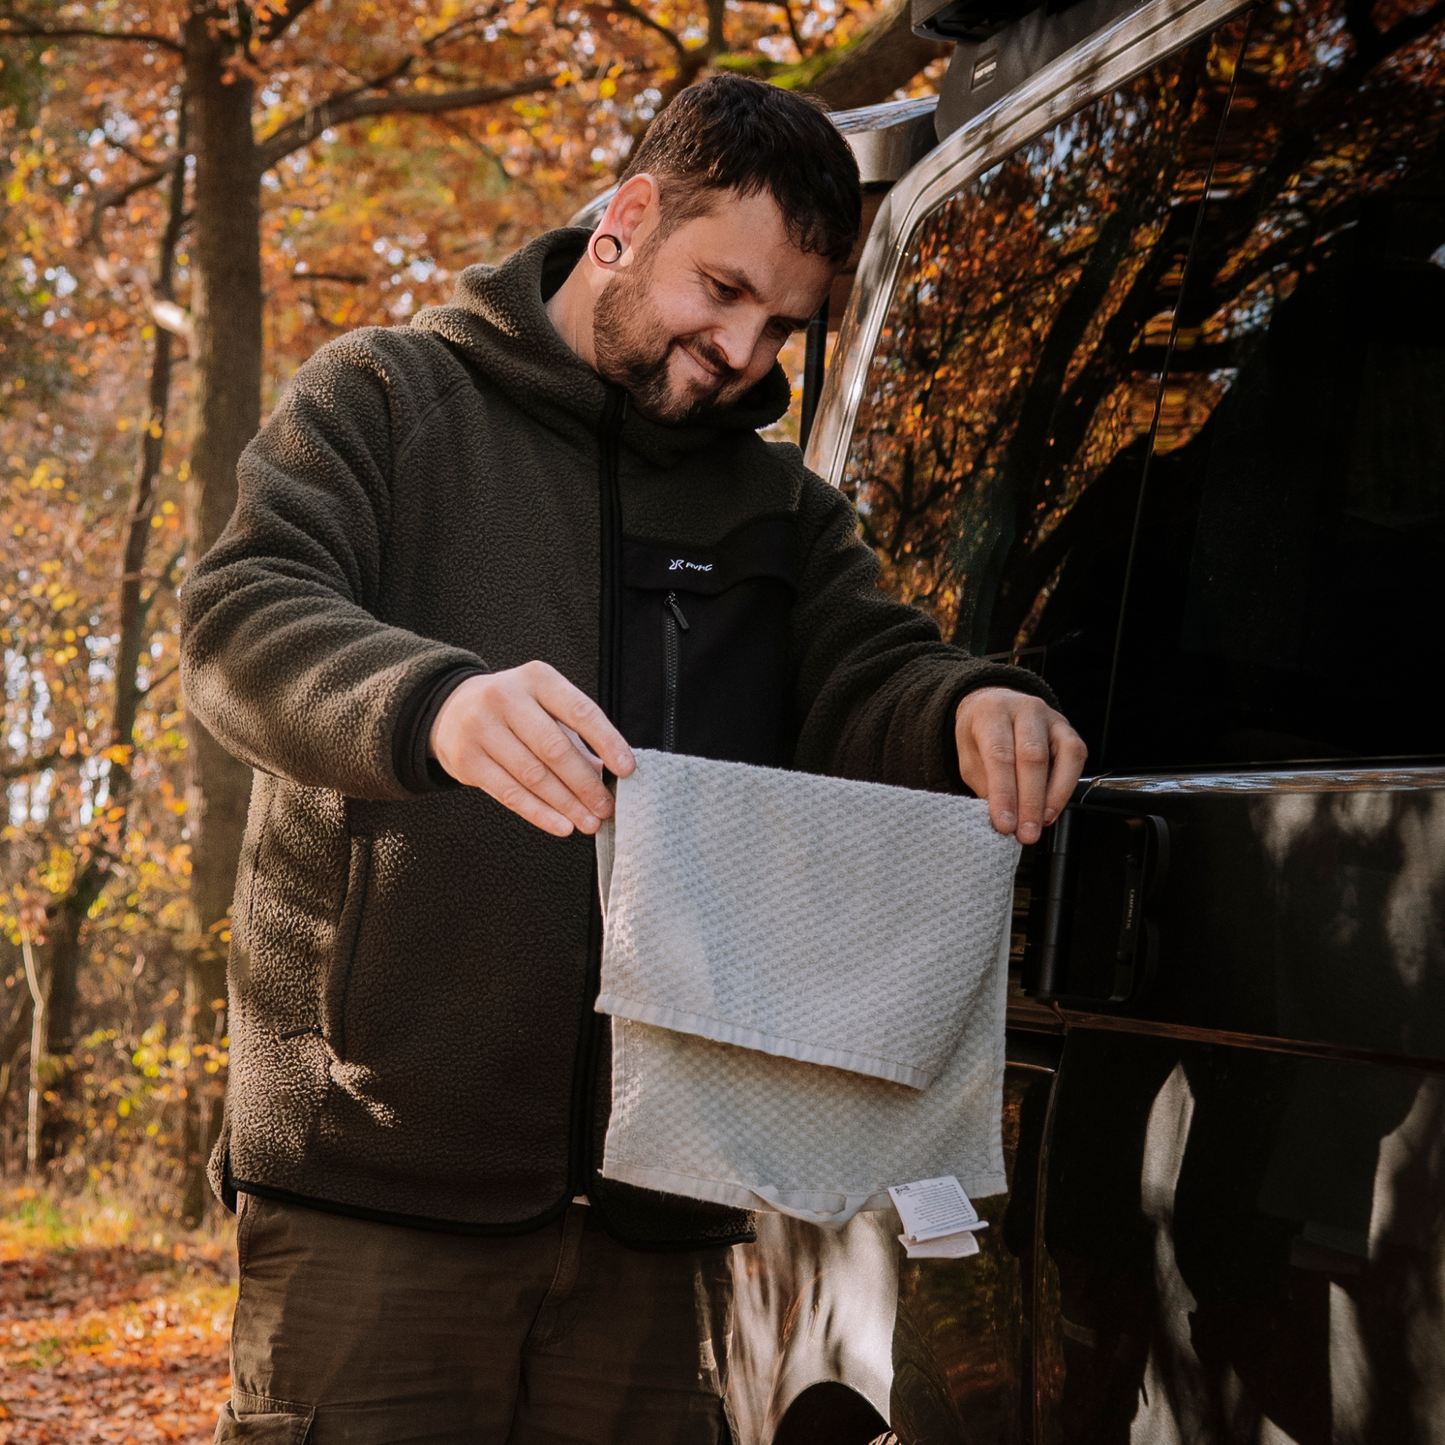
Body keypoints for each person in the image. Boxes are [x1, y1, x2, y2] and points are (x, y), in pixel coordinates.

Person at [180, 74, 1086, 1445]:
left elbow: (871, 673)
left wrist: (969, 708)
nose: (742, 347)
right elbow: (239, 619)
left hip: (664, 1215)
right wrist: (432, 707)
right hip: (378, 1188)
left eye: (780, 321)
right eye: (719, 290)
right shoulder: (384, 399)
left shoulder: (778, 508)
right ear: (630, 216)